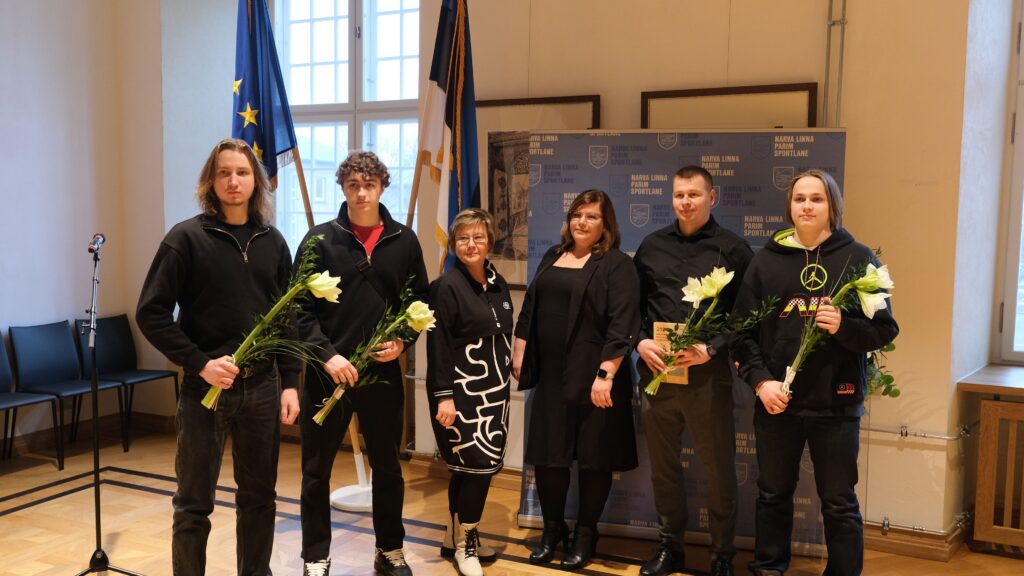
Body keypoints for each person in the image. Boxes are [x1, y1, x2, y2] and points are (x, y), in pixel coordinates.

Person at [136, 138, 301, 576]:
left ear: (256, 182)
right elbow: (150, 312)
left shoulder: (273, 242)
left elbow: (286, 319)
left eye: (242, 173)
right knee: (193, 504)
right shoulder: (186, 238)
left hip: (262, 388)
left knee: (259, 498)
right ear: (210, 181)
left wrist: (290, 384)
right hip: (204, 389)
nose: (233, 181)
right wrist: (199, 363)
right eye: (224, 173)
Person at [731, 170, 899, 576]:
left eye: (817, 199)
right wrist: (761, 382)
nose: (807, 206)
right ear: (789, 207)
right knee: (772, 494)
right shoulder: (765, 261)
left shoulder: (859, 259)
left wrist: (844, 326)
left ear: (832, 207)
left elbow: (884, 329)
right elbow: (740, 332)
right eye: (800, 198)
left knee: (839, 502)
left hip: (836, 403)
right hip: (777, 403)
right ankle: (769, 568)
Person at [294, 151, 428, 576]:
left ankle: (389, 550)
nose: (362, 192)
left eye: (369, 184)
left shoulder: (405, 240)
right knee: (316, 471)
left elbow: (418, 304)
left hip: (382, 374)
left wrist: (403, 342)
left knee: (388, 467)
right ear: (343, 188)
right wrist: (327, 354)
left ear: (383, 186)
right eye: (353, 184)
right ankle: (316, 556)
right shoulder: (319, 241)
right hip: (326, 375)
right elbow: (298, 310)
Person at [512, 189, 640, 571]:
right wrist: (519, 351)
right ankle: (553, 531)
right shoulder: (553, 255)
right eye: (576, 214)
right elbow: (530, 307)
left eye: (591, 216)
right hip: (552, 376)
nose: (582, 222)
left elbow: (623, 323)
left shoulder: (617, 265)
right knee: (549, 459)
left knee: (593, 461)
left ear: (606, 224)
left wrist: (605, 374)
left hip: (596, 377)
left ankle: (586, 534)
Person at [633, 166, 752, 576]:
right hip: (657, 375)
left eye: (694, 194)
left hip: (707, 378)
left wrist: (711, 347)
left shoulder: (733, 249)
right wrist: (640, 341)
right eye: (679, 194)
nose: (685, 202)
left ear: (711, 198)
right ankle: (671, 547)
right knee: (664, 468)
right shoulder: (651, 247)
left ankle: (721, 555)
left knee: (718, 470)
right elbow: (632, 308)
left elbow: (747, 315)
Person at [427, 208, 514, 576]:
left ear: (489, 242)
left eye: (478, 237)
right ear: (453, 244)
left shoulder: (499, 283)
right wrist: (443, 396)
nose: (470, 244)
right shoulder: (445, 286)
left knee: (471, 471)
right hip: (460, 395)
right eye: (463, 238)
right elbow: (438, 347)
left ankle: (455, 536)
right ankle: (466, 545)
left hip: (495, 395)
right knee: (475, 469)